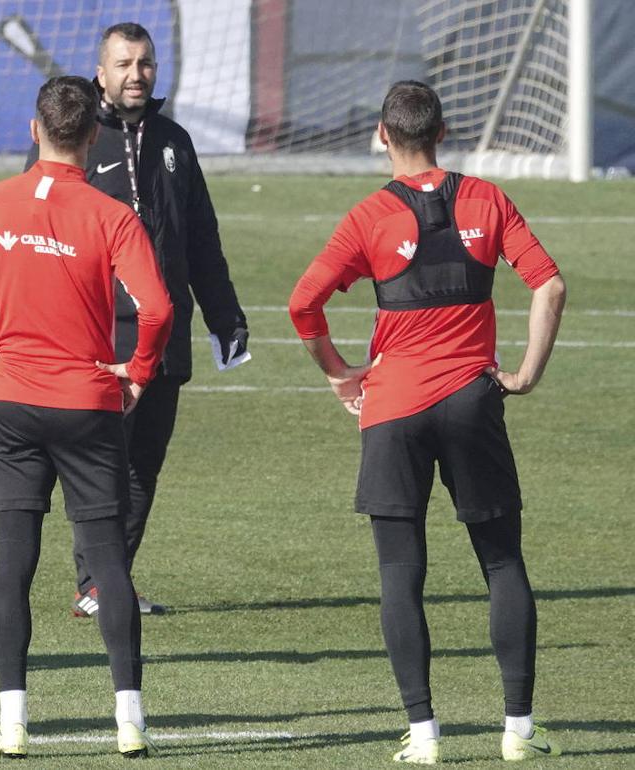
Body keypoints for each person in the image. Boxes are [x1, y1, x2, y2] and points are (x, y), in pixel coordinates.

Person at [288, 81, 566, 764]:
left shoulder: (368, 217)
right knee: (501, 561)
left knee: (399, 574)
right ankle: (519, 732)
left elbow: (303, 303)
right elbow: (549, 284)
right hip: (473, 402)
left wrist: (336, 370)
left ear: (383, 135)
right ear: (443, 132)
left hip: (393, 408)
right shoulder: (487, 199)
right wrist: (526, 373)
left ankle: (424, 735)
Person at [0, 75, 173, 759]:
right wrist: (137, 373)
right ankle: (130, 720)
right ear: (91, 138)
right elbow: (160, 310)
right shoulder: (112, 214)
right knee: (108, 561)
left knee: (11, 565)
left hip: (14, 405)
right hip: (87, 404)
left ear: (34, 130)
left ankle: (13, 723)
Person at [29, 22, 248, 617]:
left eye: (145, 63)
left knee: (142, 468)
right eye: (123, 64)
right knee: (100, 463)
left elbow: (201, 238)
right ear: (100, 72)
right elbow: (34, 235)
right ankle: (94, 583)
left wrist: (226, 317)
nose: (136, 74)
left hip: (165, 333)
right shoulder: (73, 140)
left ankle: (108, 581)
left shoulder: (175, 140)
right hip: (95, 336)